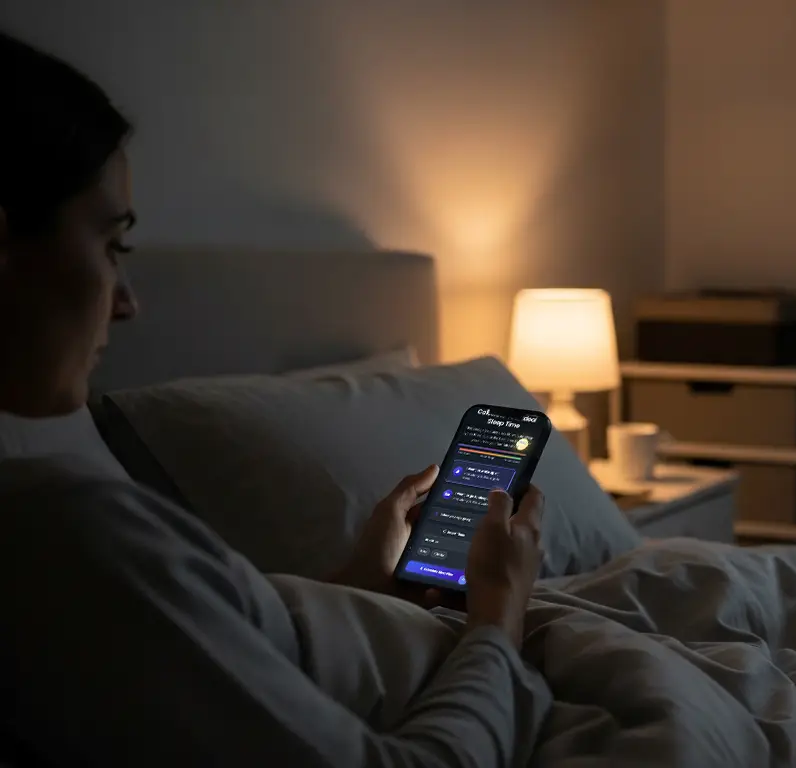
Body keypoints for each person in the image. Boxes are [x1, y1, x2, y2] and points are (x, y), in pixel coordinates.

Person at [0, 31, 549, 766]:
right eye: (111, 245)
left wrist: (360, 583)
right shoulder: (69, 531)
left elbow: (209, 647)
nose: (127, 302)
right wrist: (499, 617)